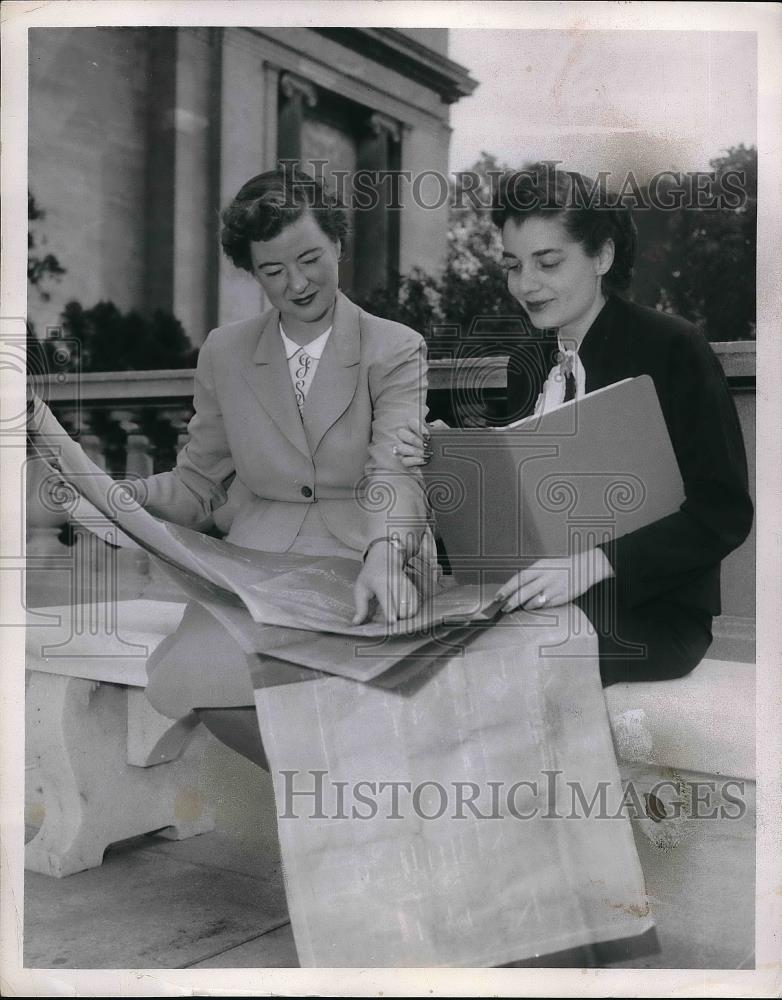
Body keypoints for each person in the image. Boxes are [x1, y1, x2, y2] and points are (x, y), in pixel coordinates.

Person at [395, 163, 754, 686]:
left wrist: (591, 564)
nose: (526, 284)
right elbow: (505, 530)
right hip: (533, 599)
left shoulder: (672, 346)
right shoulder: (527, 364)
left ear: (602, 256)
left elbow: (722, 513)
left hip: (648, 614)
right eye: (514, 265)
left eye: (547, 262)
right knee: (408, 646)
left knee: (470, 669)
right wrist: (444, 471)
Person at [123, 166, 433, 758]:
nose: (297, 283)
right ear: (252, 272)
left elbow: (395, 470)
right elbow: (198, 485)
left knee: (339, 683)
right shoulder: (225, 351)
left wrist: (386, 556)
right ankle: (338, 813)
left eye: (311, 258)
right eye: (272, 270)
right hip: (253, 565)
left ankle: (338, 820)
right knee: (203, 679)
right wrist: (125, 499)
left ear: (339, 243)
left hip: (365, 554)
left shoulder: (394, 346)